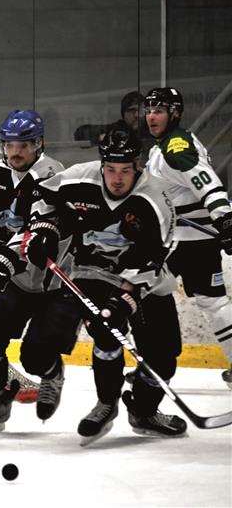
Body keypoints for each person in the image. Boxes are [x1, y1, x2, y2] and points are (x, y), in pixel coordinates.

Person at [23, 127, 186, 444]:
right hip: (92, 274)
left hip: (145, 280)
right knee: (105, 332)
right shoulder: (78, 179)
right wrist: (43, 231)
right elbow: (42, 198)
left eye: (125, 170)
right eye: (110, 169)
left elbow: (155, 260)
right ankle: (107, 403)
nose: (117, 179)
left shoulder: (155, 200)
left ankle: (144, 410)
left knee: (164, 358)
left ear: (137, 166)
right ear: (101, 164)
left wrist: (125, 300)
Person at [0, 109, 83, 433]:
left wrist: (0, 261)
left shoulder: (52, 175)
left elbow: (35, 234)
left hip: (55, 283)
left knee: (34, 357)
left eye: (23, 145)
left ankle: (51, 372)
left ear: (39, 144)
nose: (15, 152)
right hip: (15, 279)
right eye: (9, 144)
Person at [144, 86, 232, 388]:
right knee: (214, 303)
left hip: (179, 242)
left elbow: (206, 181)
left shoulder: (176, 147)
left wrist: (225, 217)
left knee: (142, 295)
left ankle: (154, 368)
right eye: (149, 110)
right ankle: (155, 366)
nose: (151, 117)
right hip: (193, 241)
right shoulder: (167, 144)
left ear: (175, 113)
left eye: (159, 110)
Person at [73, 90, 145, 146]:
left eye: (140, 110)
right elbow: (80, 133)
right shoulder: (117, 129)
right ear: (124, 114)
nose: (137, 115)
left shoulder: (149, 129)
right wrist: (103, 138)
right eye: (132, 111)